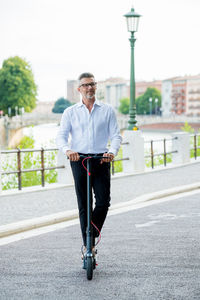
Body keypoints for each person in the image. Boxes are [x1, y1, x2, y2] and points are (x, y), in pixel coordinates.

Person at [56, 72, 122, 257]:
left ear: (96, 86)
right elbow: (61, 136)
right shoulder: (70, 112)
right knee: (84, 204)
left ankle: (89, 236)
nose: (89, 88)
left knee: (103, 202)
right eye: (85, 85)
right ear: (79, 89)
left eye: (92, 84)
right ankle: (88, 246)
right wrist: (68, 150)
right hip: (79, 160)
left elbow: (116, 135)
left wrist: (112, 152)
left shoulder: (107, 110)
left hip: (101, 159)